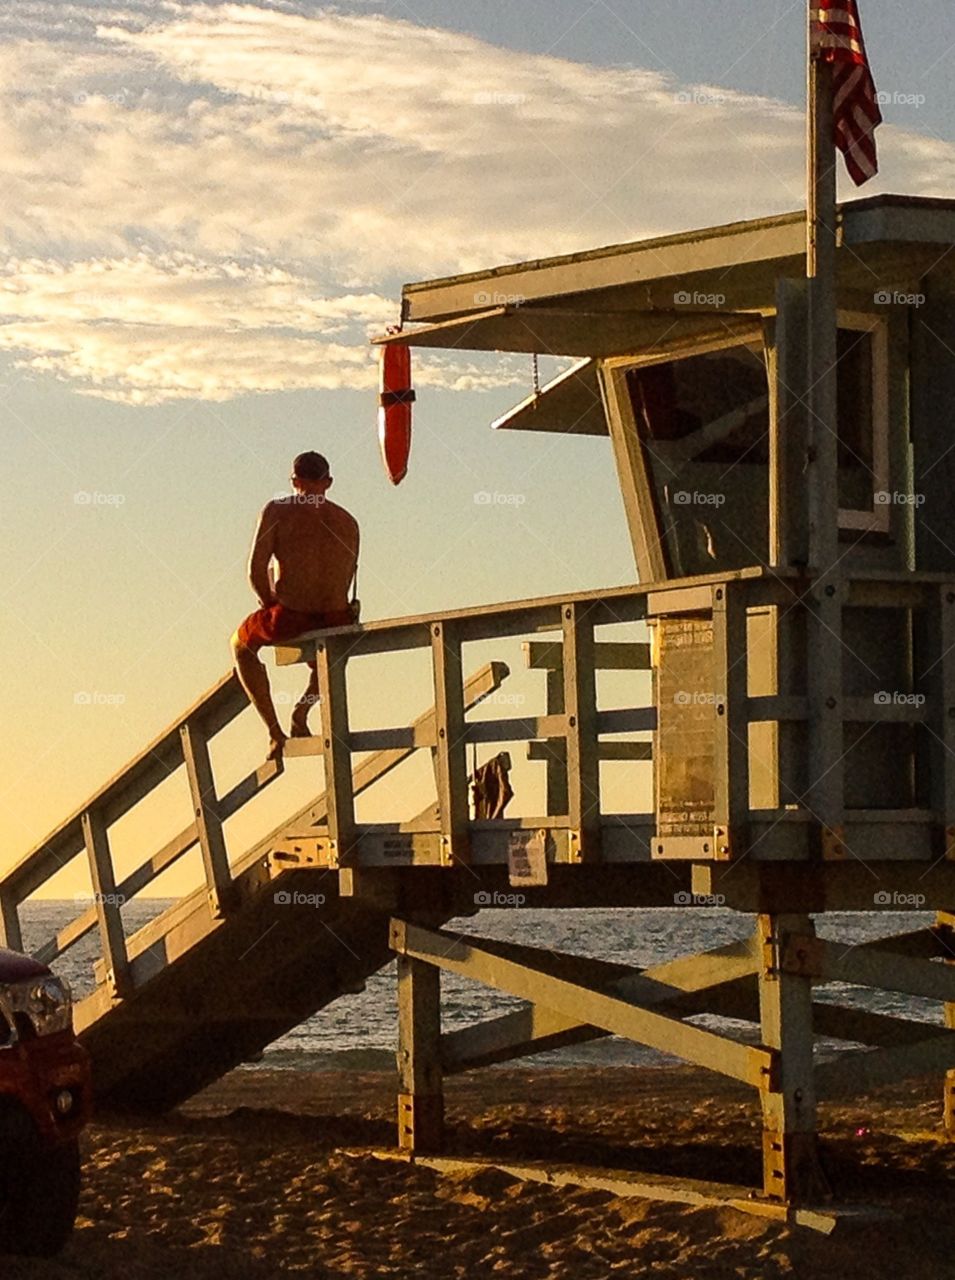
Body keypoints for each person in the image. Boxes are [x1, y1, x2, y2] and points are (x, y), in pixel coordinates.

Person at [231, 452, 359, 760]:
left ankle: (275, 733)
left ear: (293, 481)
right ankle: (302, 711)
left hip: (291, 616)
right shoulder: (348, 520)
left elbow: (255, 570)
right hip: (336, 619)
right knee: (329, 658)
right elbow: (347, 574)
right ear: (328, 482)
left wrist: (269, 602)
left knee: (240, 647)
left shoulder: (277, 510)